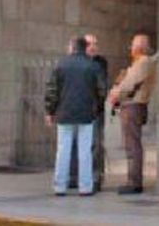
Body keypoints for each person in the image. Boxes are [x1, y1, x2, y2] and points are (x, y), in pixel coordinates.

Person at [45, 35, 107, 197]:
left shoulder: (61, 64)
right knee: (85, 151)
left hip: (64, 113)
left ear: (72, 47)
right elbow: (102, 91)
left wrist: (50, 111)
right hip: (86, 114)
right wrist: (97, 108)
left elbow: (52, 90)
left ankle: (60, 186)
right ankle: (85, 187)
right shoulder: (93, 66)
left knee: (63, 150)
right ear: (85, 47)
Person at [108, 33, 156, 195]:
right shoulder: (141, 62)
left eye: (133, 45)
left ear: (140, 46)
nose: (131, 48)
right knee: (131, 143)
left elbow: (128, 84)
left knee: (132, 144)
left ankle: (134, 181)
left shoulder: (143, 62)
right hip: (133, 105)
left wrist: (115, 94)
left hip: (133, 106)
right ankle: (133, 180)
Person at [68, 33, 109, 192]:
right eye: (89, 44)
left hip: (93, 110)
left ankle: (95, 177)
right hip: (76, 109)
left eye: (95, 44)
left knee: (95, 144)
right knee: (73, 143)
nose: (93, 47)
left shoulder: (99, 63)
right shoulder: (74, 62)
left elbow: (102, 88)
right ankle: (74, 176)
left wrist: (96, 105)